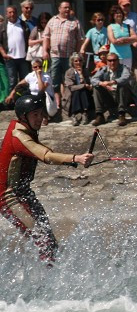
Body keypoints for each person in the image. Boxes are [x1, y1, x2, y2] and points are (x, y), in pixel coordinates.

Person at [0, 94, 94, 265]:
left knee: (48, 236)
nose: (40, 118)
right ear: (23, 117)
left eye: (41, 113)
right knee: (42, 238)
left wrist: (72, 161)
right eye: (35, 115)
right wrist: (76, 158)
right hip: (8, 199)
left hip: (24, 193)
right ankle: (45, 279)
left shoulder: (27, 130)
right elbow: (46, 156)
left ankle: (51, 269)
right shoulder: (18, 137)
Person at [41, 0, 84, 96]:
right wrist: (44, 51)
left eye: (69, 7)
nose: (67, 9)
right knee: (54, 79)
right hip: (54, 55)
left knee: (69, 80)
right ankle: (57, 103)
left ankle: (67, 101)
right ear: (59, 9)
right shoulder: (52, 21)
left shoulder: (75, 22)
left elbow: (80, 39)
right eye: (65, 7)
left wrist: (76, 54)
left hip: (69, 56)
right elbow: (46, 37)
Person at [90, 52, 137, 127]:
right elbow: (93, 79)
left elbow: (125, 77)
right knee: (96, 87)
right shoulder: (104, 69)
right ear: (107, 61)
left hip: (124, 97)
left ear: (118, 61)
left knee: (122, 85)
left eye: (114, 60)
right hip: (110, 97)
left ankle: (121, 114)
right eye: (110, 61)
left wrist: (113, 82)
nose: (112, 62)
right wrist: (102, 84)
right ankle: (99, 115)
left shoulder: (124, 68)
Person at [5, 4, 31, 90]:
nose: (12, 14)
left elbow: (29, 38)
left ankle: (24, 100)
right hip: (10, 58)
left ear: (17, 13)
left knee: (25, 80)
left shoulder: (24, 25)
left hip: (23, 57)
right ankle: (12, 101)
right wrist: (3, 54)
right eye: (10, 12)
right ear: (6, 14)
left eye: (14, 12)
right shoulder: (3, 26)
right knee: (12, 81)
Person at [61, 53, 92, 126]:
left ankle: (84, 113)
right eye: (76, 61)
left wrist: (81, 75)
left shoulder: (85, 71)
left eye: (80, 61)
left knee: (83, 91)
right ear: (72, 62)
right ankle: (74, 115)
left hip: (85, 93)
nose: (78, 63)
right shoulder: (69, 72)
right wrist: (84, 85)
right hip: (72, 94)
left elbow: (89, 82)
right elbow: (71, 87)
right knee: (77, 91)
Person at [106, 6, 137, 71]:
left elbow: (135, 38)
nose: (119, 14)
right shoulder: (110, 27)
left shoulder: (127, 26)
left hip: (127, 56)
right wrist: (129, 41)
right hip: (115, 57)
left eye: (120, 13)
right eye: (116, 13)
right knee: (115, 76)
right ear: (113, 15)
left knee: (126, 76)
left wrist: (123, 39)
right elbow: (114, 41)